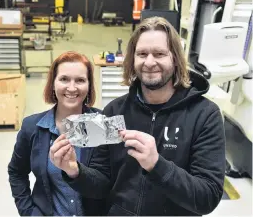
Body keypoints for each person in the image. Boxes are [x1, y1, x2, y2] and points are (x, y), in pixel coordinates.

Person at [50, 17, 226, 216]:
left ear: (175, 58)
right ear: (132, 59)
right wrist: (74, 170)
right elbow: (102, 184)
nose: (149, 62)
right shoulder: (114, 111)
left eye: (159, 54)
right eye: (142, 54)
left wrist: (157, 165)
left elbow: (207, 198)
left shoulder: (204, 115)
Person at [8, 51, 105, 216]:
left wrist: (75, 171)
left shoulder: (100, 125)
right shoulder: (33, 127)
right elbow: (16, 172)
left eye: (80, 80)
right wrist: (29, 212)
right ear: (53, 83)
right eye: (64, 79)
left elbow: (107, 183)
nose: (72, 87)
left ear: (89, 86)